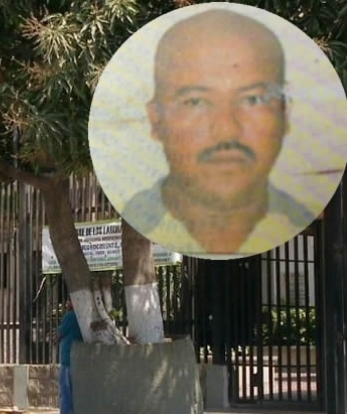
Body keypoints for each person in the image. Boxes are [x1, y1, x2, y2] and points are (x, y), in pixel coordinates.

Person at [124, 7, 315, 256]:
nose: (226, 129)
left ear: (284, 113)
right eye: (195, 102)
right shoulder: (142, 215)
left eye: (253, 99)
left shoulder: (300, 216)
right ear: (156, 119)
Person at [53, 299, 84, 414]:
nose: (66, 303)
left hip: (67, 360)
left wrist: (55, 338)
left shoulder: (70, 316)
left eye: (69, 301)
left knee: (66, 395)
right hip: (79, 361)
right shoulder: (83, 316)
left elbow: (58, 335)